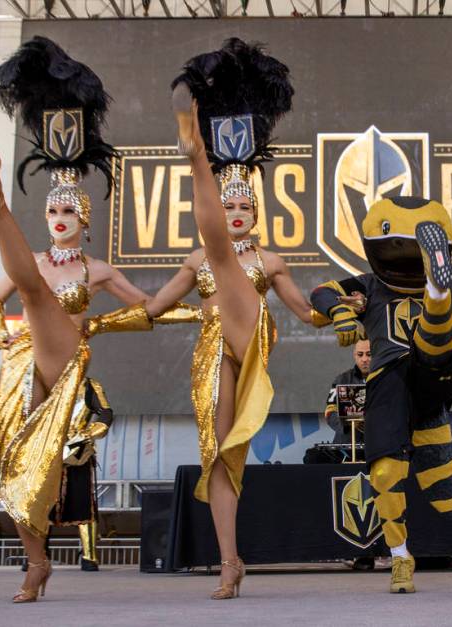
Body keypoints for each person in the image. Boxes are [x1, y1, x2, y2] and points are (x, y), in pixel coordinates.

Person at [0, 37, 171, 602]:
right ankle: (35, 562)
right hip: (22, 359)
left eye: (68, 212)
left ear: (84, 220)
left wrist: (105, 325)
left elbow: (145, 307)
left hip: (65, 360)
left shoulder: (99, 270)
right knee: (16, 464)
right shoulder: (33, 261)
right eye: (53, 210)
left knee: (35, 292)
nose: (59, 219)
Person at [310, 195, 452, 593]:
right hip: (388, 384)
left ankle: (436, 298)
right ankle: (400, 558)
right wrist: (342, 312)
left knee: (432, 347)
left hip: (436, 371)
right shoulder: (368, 285)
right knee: (384, 473)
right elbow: (321, 293)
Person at [168, 38, 303, 600]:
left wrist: (348, 310)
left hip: (251, 337)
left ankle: (196, 152)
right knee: (219, 456)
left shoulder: (269, 260)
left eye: (244, 206)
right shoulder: (196, 261)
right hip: (213, 345)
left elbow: (303, 309)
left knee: (221, 257)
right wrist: (98, 326)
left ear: (255, 210)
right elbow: (153, 307)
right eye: (229, 207)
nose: (238, 212)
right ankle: (230, 561)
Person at [324, 339, 371, 445]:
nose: (364, 359)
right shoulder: (342, 379)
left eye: (369, 354)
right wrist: (348, 424)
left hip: (380, 444)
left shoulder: (386, 380)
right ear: (354, 355)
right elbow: (329, 412)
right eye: (360, 354)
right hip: (347, 442)